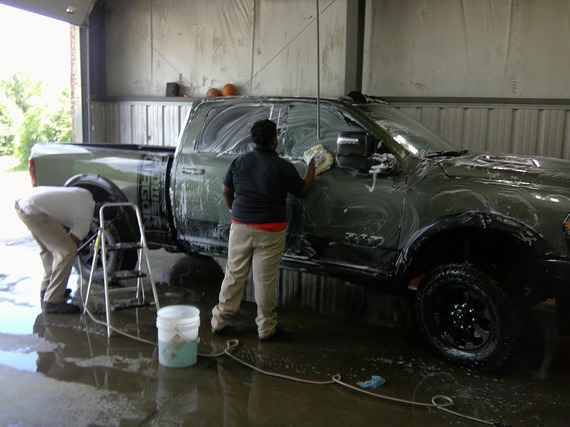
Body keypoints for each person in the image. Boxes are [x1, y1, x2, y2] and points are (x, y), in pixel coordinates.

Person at [211, 119, 316, 341]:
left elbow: (226, 191)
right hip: (271, 231)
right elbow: (304, 191)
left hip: (240, 227)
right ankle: (266, 329)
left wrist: (237, 213)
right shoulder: (283, 167)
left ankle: (219, 322)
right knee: (264, 281)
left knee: (234, 275)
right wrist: (312, 166)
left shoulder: (239, 162)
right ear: (274, 140)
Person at [15, 186, 97, 314]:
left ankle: (47, 289)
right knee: (66, 252)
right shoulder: (84, 220)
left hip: (24, 204)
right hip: (34, 212)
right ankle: (53, 300)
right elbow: (71, 244)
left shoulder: (86, 194)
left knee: (49, 249)